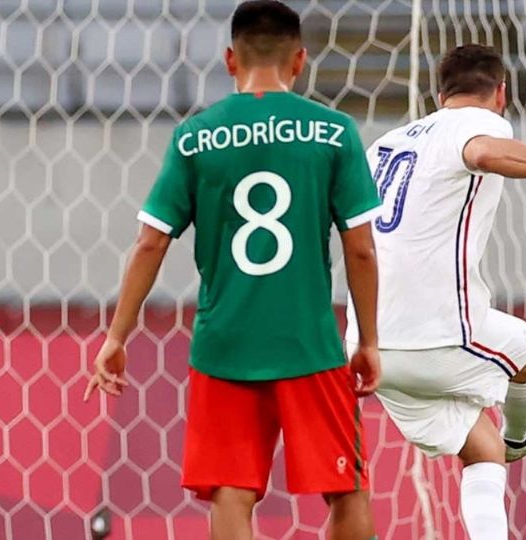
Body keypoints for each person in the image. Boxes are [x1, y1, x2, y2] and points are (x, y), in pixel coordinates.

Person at [84, 2, 383, 539]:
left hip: (224, 347)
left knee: (232, 491)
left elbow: (150, 243)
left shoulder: (196, 136)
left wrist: (116, 334)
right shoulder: (336, 132)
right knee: (346, 487)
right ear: (300, 60)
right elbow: (361, 250)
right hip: (309, 344)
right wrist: (370, 339)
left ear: (228, 59)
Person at [344, 43, 526, 539]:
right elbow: (484, 152)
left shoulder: (384, 144)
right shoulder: (482, 124)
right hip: (439, 334)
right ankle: (524, 435)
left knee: (480, 448)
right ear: (502, 94)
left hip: (370, 347)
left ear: (438, 91)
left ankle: (506, 455)